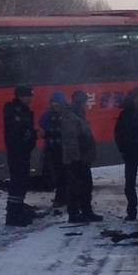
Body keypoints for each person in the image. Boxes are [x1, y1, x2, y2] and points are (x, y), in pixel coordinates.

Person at [59, 89, 102, 223]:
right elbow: (71, 140)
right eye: (84, 102)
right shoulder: (71, 117)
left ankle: (86, 211)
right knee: (76, 187)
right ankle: (75, 213)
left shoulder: (78, 115)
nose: (85, 105)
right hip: (76, 160)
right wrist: (75, 159)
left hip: (82, 158)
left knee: (85, 186)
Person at [114, 87, 138, 221]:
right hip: (130, 152)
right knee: (130, 183)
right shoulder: (125, 115)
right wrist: (123, 148)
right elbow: (118, 133)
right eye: (136, 98)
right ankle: (131, 210)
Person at [3, 84, 38, 226]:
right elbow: (18, 135)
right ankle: (13, 216)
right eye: (27, 96)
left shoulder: (21, 110)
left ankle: (17, 212)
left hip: (22, 152)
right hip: (18, 153)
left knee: (21, 184)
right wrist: (34, 135)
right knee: (18, 184)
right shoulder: (15, 112)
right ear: (20, 96)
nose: (30, 99)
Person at [39, 91, 68, 206]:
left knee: (64, 174)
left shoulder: (66, 114)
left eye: (57, 105)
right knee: (56, 174)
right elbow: (41, 122)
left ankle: (63, 198)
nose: (55, 107)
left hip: (63, 149)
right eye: (53, 105)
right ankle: (61, 197)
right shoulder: (49, 114)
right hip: (52, 149)